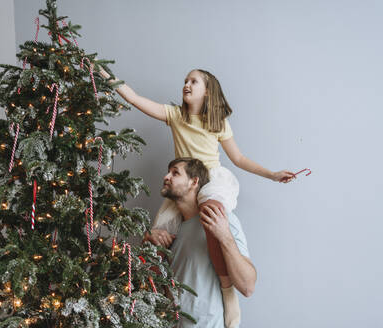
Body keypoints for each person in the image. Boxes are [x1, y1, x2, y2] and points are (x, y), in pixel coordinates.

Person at [97, 66, 293, 327]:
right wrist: (101, 72)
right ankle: (160, 310)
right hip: (186, 182)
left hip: (211, 180)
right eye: (185, 81)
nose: (186, 85)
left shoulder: (218, 123)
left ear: (208, 91)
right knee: (157, 233)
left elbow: (239, 158)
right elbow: (133, 97)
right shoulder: (177, 116)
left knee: (212, 213)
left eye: (194, 81)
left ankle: (226, 289)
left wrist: (271, 174)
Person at [144, 157, 256, 327]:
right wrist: (147, 240)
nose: (166, 177)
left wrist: (224, 235)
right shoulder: (169, 230)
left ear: (194, 182)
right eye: (168, 172)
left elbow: (247, 286)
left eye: (175, 173)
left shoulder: (221, 219)